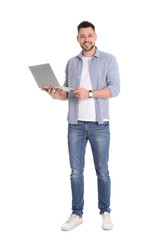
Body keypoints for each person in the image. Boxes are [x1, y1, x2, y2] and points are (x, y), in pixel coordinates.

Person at [42, 21, 120, 231]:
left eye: (90, 35)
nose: (86, 39)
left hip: (99, 124)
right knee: (76, 171)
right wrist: (55, 95)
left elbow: (115, 89)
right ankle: (77, 213)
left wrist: (90, 93)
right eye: (82, 36)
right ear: (77, 38)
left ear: (95, 37)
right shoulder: (71, 62)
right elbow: (68, 95)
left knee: (102, 171)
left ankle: (105, 211)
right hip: (75, 125)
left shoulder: (108, 60)